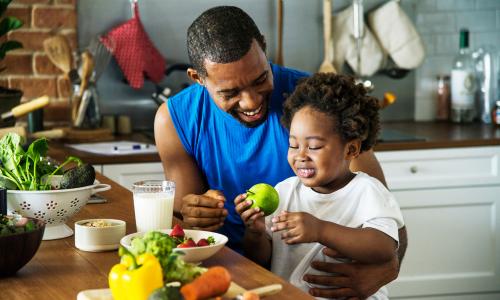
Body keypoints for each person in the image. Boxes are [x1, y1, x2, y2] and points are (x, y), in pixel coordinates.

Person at [154, 6, 408, 299]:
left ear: (263, 46)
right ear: (197, 78)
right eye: (230, 92)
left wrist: (387, 270)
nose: (250, 102)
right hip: (224, 277)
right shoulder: (174, 120)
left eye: (260, 79)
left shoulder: (317, 104)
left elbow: (388, 223)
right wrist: (195, 213)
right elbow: (186, 230)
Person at [235, 73, 405, 299]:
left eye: (313, 147)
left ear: (351, 150)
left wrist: (320, 230)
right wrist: (255, 233)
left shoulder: (367, 191)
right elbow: (262, 260)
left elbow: (384, 247)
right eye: (293, 145)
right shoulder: (284, 192)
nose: (300, 156)